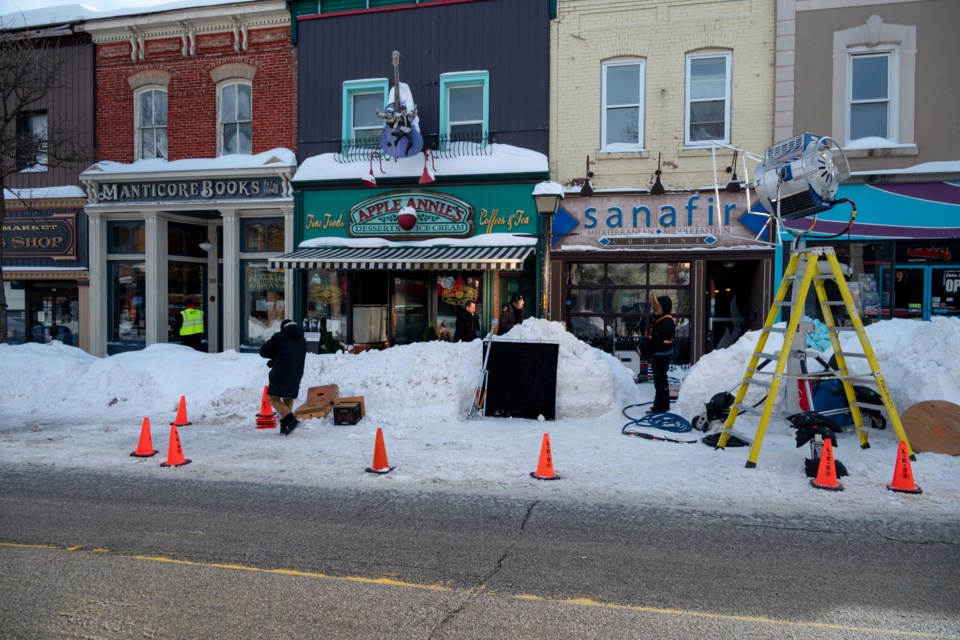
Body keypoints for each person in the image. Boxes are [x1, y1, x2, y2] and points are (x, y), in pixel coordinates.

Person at [259, 319, 308, 435]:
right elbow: (293, 355)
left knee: (273, 398)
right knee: (288, 398)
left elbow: (263, 351)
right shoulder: (302, 340)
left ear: (283, 328)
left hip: (280, 373)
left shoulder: (279, 337)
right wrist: (276, 358)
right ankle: (285, 426)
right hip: (296, 374)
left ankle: (289, 418)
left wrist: (275, 357)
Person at [641, 295, 676, 413]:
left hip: (661, 355)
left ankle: (661, 406)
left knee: (660, 381)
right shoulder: (663, 319)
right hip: (660, 354)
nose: (654, 309)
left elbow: (657, 341)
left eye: (656, 307)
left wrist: (645, 347)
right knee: (661, 380)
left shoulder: (666, 322)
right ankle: (662, 404)